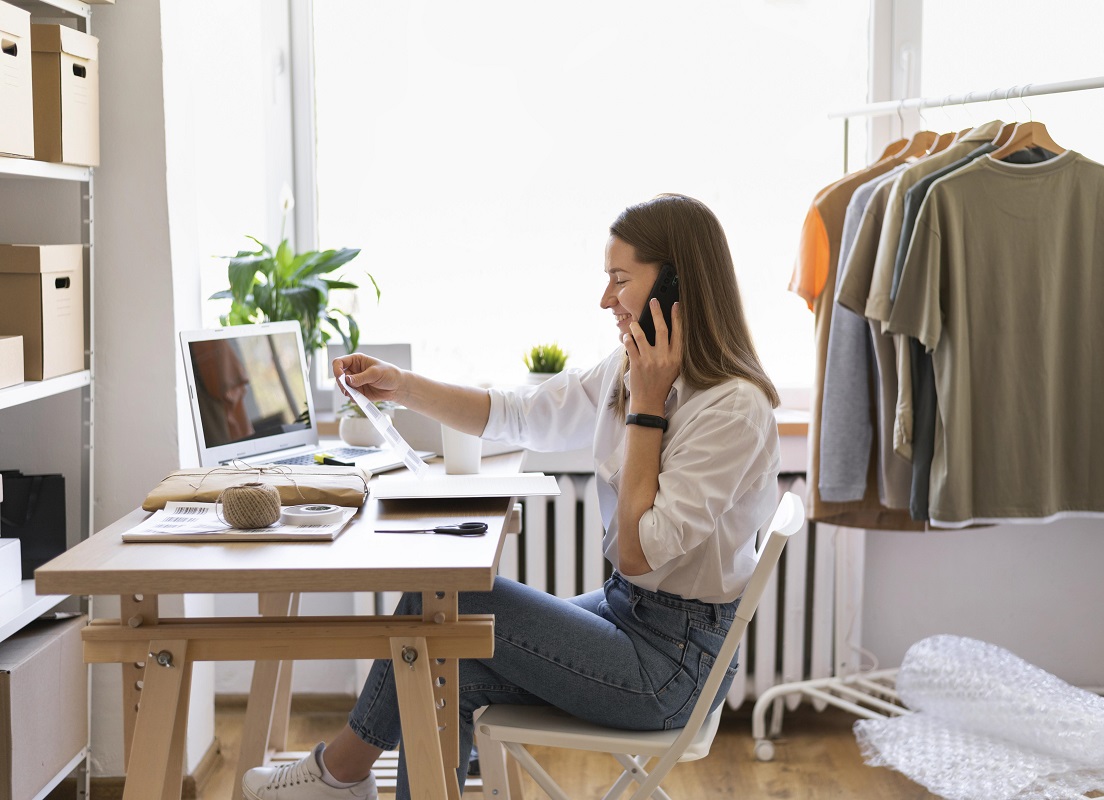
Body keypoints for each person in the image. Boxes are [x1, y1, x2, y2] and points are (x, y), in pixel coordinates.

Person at [242, 193, 782, 800]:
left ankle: (338, 773)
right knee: (448, 661)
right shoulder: (632, 368)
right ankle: (343, 774)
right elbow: (523, 415)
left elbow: (635, 554)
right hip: (632, 615)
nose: (606, 300)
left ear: (676, 282)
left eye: (620, 280)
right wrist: (402, 387)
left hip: (670, 667)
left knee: (440, 594)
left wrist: (648, 412)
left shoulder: (731, 408)